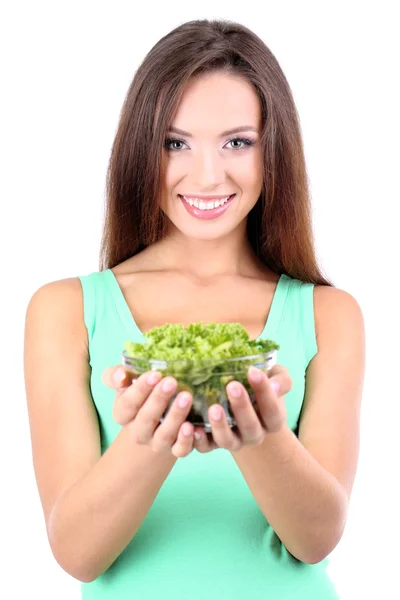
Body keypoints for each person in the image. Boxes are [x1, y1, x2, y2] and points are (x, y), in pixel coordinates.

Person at [24, 18, 366, 599]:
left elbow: (317, 538)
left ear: (273, 149)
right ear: (141, 149)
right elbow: (77, 554)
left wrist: (260, 433)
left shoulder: (329, 315)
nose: (208, 175)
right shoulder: (66, 310)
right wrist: (152, 432)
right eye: (175, 143)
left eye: (238, 141)